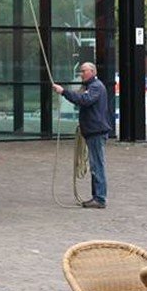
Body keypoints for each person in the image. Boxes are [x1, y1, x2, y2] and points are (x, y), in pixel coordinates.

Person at [53, 62, 111, 209]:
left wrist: (63, 92)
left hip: (96, 132)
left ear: (92, 71)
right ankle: (97, 197)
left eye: (84, 71)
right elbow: (80, 99)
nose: (81, 74)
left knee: (97, 165)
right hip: (92, 131)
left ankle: (100, 198)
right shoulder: (90, 87)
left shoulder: (96, 87)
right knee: (95, 165)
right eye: (81, 71)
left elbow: (84, 100)